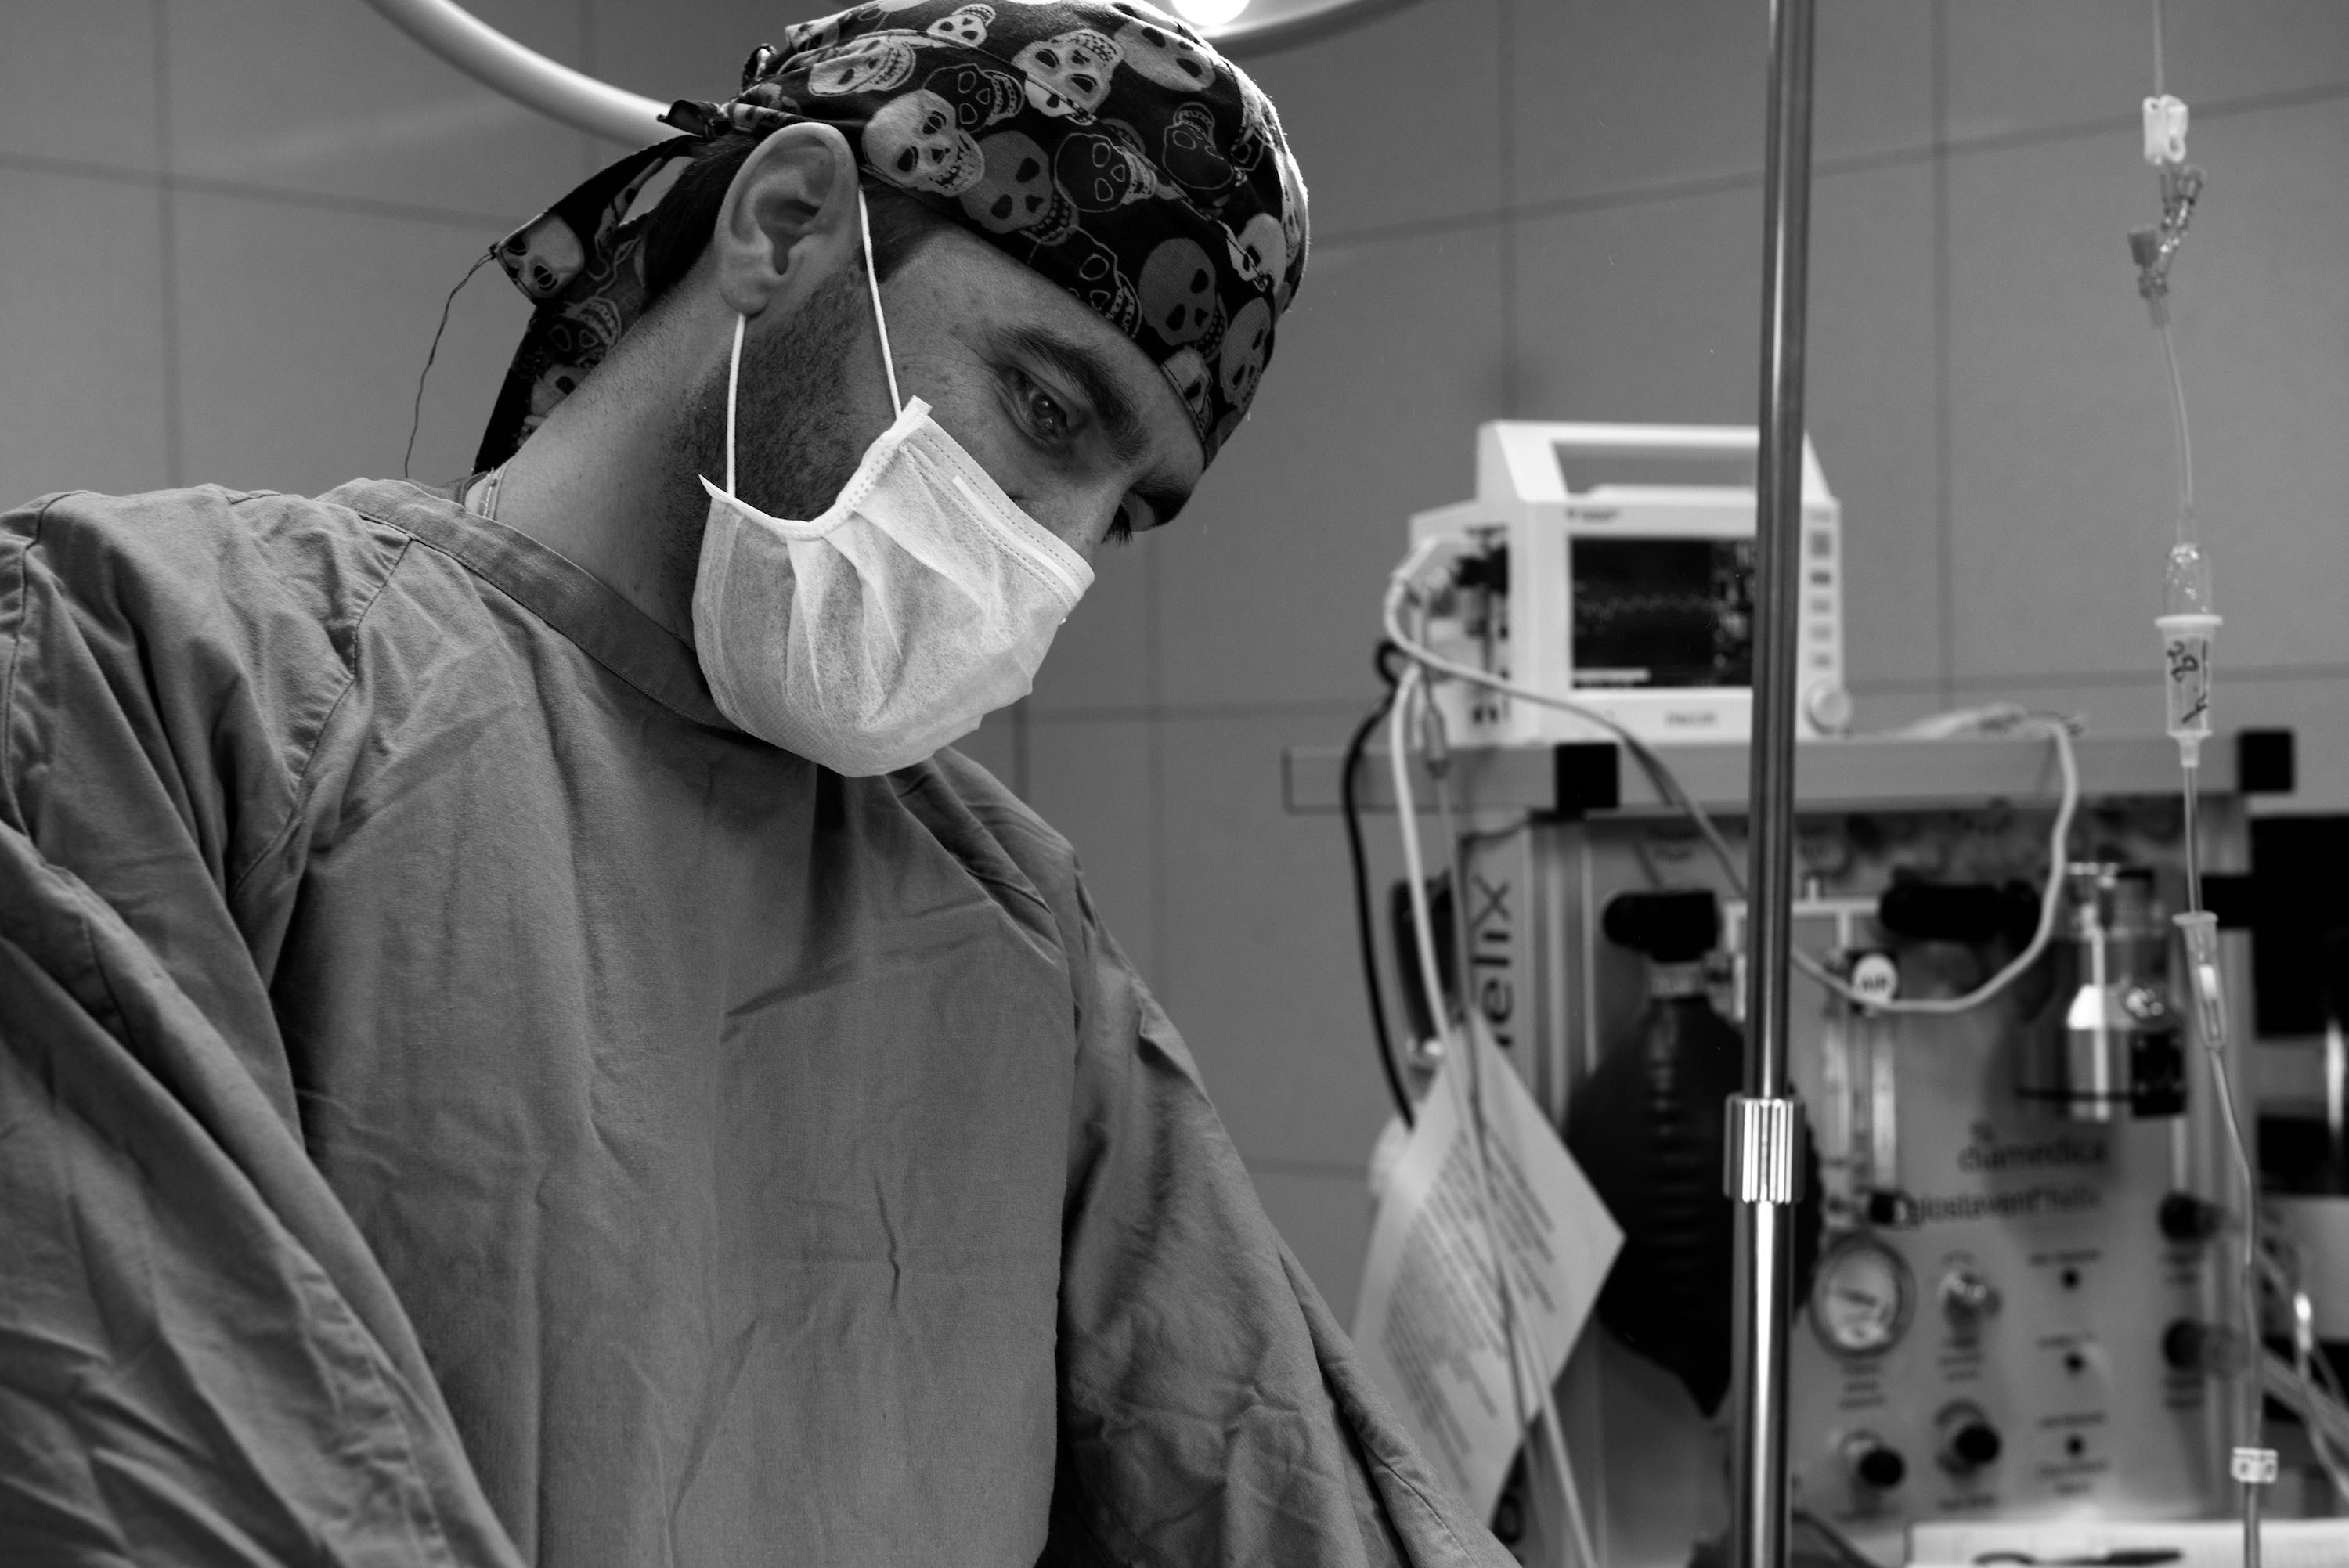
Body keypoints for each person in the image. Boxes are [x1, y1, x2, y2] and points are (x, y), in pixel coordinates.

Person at [0, 3, 1510, 1563]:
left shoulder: (1009, 932)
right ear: (787, 226)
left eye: (1124, 514)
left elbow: (1267, 1477)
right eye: (1047, 411)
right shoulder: (160, 673)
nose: (1055, 552)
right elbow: (146, 1456)